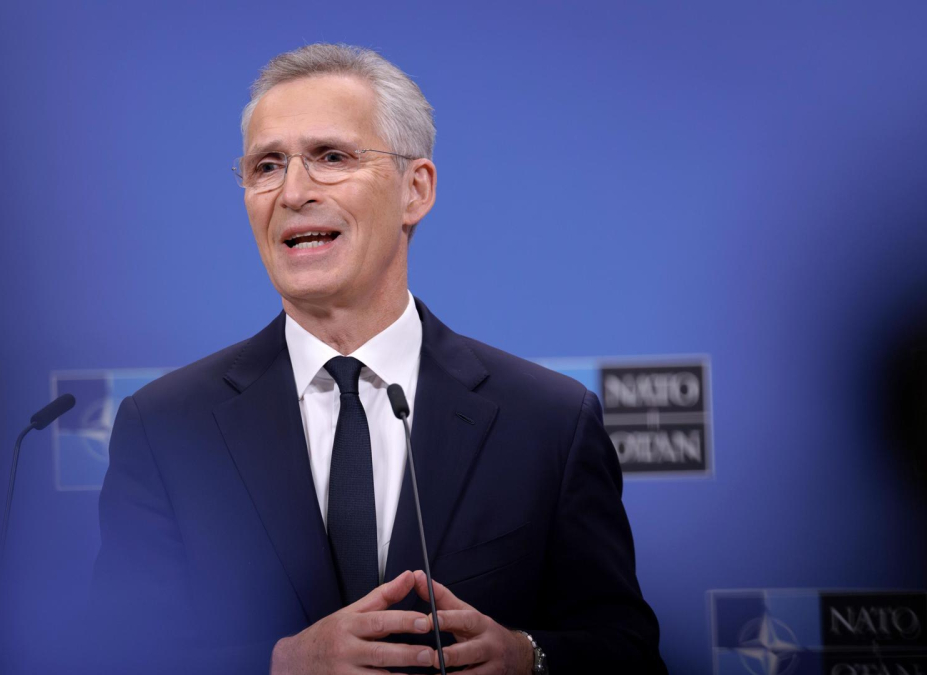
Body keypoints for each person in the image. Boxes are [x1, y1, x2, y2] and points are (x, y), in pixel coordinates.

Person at [92, 43, 666, 674]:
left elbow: (628, 651)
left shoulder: (549, 420)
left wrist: (528, 658)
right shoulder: (168, 427)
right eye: (266, 166)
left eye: (330, 157)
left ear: (415, 190)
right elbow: (116, 657)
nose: (292, 192)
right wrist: (281, 664)